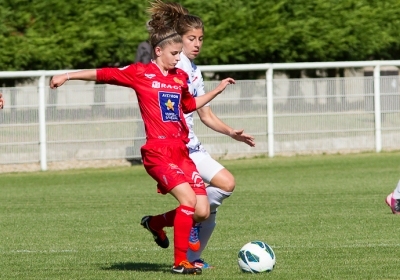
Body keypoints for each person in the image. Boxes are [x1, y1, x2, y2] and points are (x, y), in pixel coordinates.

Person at [49, 25, 235, 275]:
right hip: (157, 153)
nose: (179, 58)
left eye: (180, 53)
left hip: (182, 153)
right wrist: (68, 76)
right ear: (158, 51)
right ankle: (181, 262)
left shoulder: (179, 79)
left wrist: (217, 90)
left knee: (201, 211)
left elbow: (189, 106)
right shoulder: (140, 73)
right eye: (174, 53)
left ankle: (155, 223)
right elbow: (105, 74)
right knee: (189, 201)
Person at [148, 0, 255, 269]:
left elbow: (204, 114)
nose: (197, 44)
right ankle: (189, 252)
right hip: (175, 150)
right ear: (179, 40)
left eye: (201, 39)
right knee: (204, 206)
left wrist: (232, 133)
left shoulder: (195, 71)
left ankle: (162, 224)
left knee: (225, 186)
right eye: (191, 38)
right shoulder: (173, 67)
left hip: (193, 147)